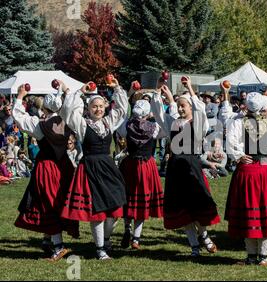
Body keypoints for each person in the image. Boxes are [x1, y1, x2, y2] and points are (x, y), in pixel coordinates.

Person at [151, 77, 220, 257]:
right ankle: (194, 245)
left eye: (184, 106)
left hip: (192, 167)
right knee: (183, 211)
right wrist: (158, 91)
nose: (181, 108)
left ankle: (204, 236)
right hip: (176, 169)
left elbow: (200, 110)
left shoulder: (198, 124)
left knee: (197, 207)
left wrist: (190, 89)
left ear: (190, 107)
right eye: (179, 106)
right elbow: (158, 112)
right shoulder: (172, 123)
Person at [60, 78, 128, 260]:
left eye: (100, 106)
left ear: (105, 106)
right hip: (90, 167)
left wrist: (117, 88)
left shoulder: (109, 121)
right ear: (88, 108)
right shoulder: (82, 124)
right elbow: (67, 112)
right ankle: (100, 249)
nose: (98, 109)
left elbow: (122, 109)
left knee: (116, 206)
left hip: (107, 166)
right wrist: (79, 92)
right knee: (97, 211)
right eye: (94, 107)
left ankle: (105, 240)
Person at [225, 91, 267, 266]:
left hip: (247, 172)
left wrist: (239, 155)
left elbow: (230, 143)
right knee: (266, 214)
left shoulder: (238, 122)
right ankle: (263, 257)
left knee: (249, 213)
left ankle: (251, 256)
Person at [12, 83, 79, 261]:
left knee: (48, 203)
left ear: (45, 107)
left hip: (48, 168)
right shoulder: (67, 121)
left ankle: (58, 247)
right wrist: (65, 89)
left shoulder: (40, 126)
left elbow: (18, 116)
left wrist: (20, 96)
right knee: (58, 201)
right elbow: (73, 104)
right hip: (64, 166)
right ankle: (47, 240)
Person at [119, 99, 165, 250]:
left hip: (130, 164)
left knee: (128, 198)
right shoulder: (154, 127)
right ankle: (136, 239)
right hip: (146, 165)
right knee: (142, 200)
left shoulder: (127, 126)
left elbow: (120, 122)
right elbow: (164, 127)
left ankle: (127, 228)